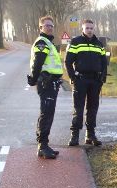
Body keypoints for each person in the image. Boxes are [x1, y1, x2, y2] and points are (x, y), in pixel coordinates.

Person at [65, 19, 107, 146]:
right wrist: (73, 77)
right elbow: (67, 62)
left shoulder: (99, 44)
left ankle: (90, 135)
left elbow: (104, 63)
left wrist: (102, 79)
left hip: (95, 81)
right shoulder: (76, 42)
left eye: (91, 28)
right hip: (80, 80)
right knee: (78, 108)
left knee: (93, 108)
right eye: (87, 28)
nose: (89, 30)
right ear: (82, 29)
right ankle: (75, 136)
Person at [27, 15, 62, 159]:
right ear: (40, 28)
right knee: (46, 113)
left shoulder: (48, 42)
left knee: (48, 113)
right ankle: (42, 146)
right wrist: (34, 79)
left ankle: (44, 144)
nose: (50, 27)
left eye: (51, 25)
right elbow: (38, 63)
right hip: (46, 82)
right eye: (46, 25)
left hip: (51, 82)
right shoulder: (42, 42)